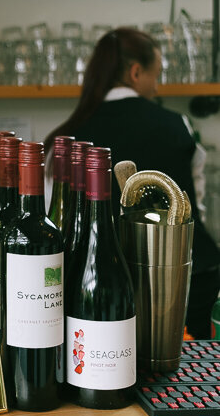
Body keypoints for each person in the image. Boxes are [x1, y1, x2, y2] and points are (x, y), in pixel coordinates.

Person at [45, 26, 220, 338]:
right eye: (157, 75)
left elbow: (59, 223)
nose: (157, 87)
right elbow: (195, 207)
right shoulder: (176, 125)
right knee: (188, 376)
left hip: (98, 289)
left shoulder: (65, 138)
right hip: (185, 281)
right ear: (136, 72)